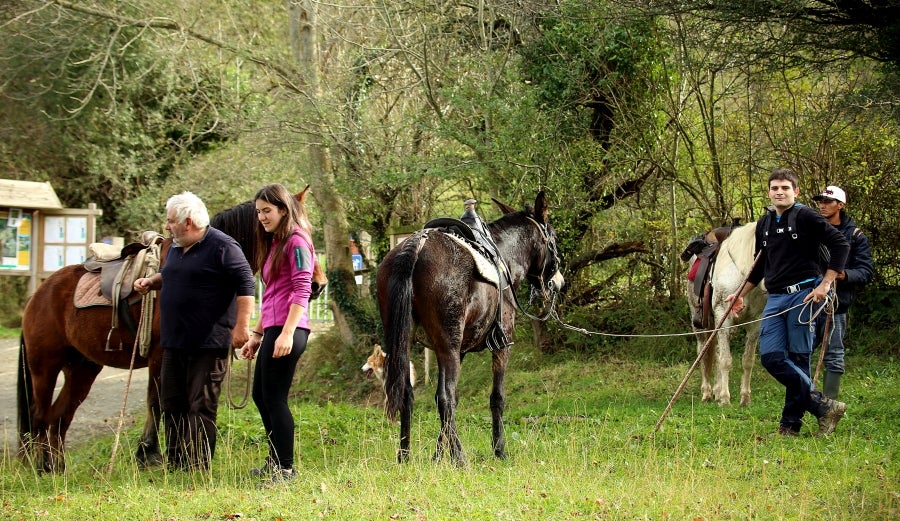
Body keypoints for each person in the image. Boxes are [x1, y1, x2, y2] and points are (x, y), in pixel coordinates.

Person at [134, 192, 255, 470]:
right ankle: (177, 463)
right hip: (174, 342)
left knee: (200, 406)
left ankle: (197, 466)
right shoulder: (177, 246)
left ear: (188, 222)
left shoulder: (224, 246)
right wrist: (152, 281)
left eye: (170, 221)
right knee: (172, 403)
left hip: (208, 344)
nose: (166, 226)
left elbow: (246, 285)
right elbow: (176, 274)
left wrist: (242, 327)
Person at [726, 168, 850, 436]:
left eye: (785, 188)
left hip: (805, 295)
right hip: (776, 297)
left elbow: (840, 244)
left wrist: (825, 284)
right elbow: (760, 267)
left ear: (796, 191)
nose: (779, 192)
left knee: (798, 357)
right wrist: (740, 294)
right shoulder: (765, 223)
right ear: (768, 192)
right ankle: (823, 406)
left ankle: (790, 425)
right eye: (774, 188)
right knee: (771, 358)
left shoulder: (806, 216)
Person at [239, 183, 316, 485]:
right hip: (273, 327)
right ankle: (274, 462)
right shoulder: (276, 242)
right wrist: (256, 334)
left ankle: (285, 470)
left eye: (267, 211)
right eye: (258, 212)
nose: (261, 217)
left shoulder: (297, 241)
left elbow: (302, 289)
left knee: (275, 398)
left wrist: (286, 333)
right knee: (261, 395)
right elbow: (272, 293)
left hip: (290, 329)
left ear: (284, 209)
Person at [812, 186, 874, 400]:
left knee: (834, 354)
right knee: (798, 351)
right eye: (820, 201)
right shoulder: (811, 231)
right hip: (807, 302)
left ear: (841, 205)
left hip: (836, 305)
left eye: (828, 202)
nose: (822, 205)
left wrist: (842, 275)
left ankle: (829, 403)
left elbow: (865, 271)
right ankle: (802, 397)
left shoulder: (855, 236)